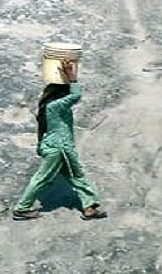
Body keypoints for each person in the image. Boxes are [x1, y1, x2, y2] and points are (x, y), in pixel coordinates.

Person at [12, 59, 108, 221]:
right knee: (43, 177)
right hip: (60, 147)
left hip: (55, 146)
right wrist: (71, 76)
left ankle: (89, 207)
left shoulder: (48, 106)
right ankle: (22, 208)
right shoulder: (55, 106)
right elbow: (76, 95)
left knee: (76, 176)